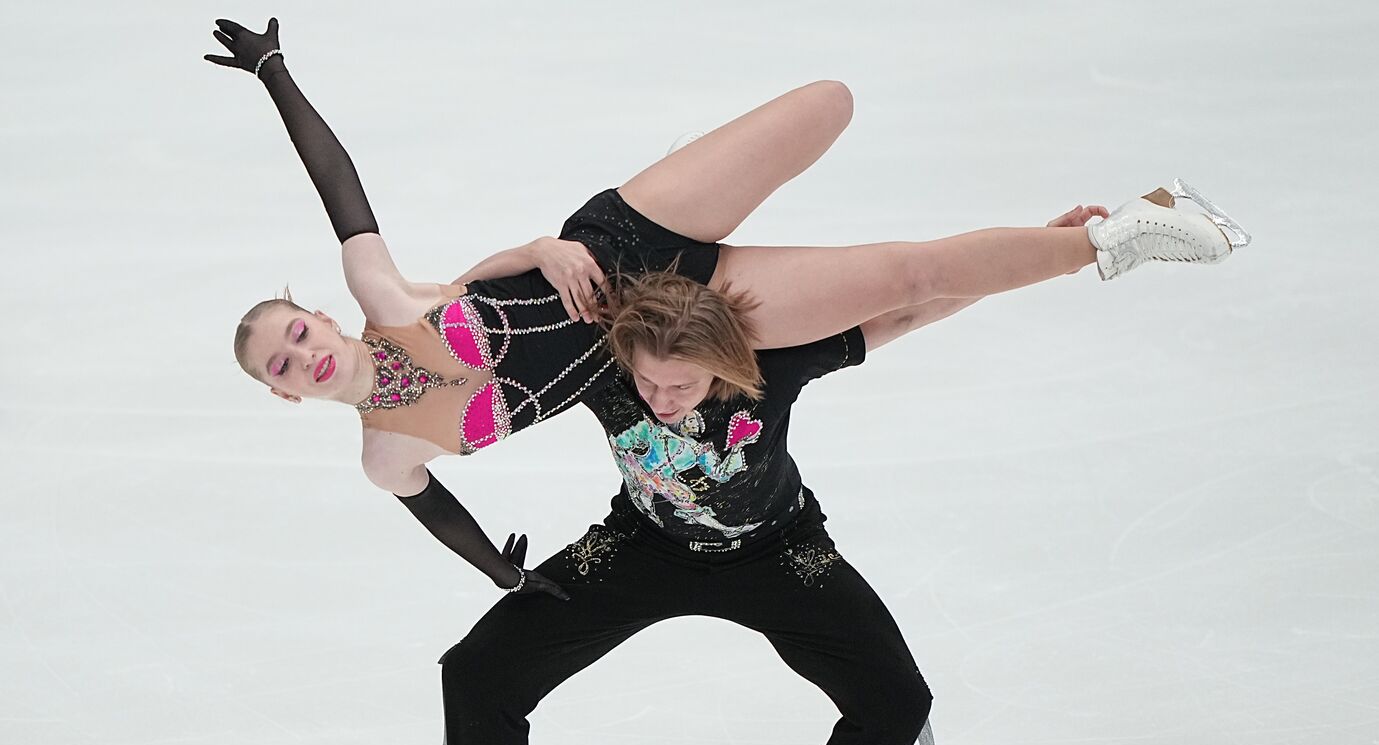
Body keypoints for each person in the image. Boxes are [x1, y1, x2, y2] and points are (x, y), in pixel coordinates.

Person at [205, 17, 1251, 601]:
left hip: (622, 237)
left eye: (293, 332)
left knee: (827, 103)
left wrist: (273, 73)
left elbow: (333, 177)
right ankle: (1112, 238)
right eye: (279, 368)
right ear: (286, 396)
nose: (300, 354)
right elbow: (437, 511)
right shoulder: (386, 455)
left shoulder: (384, 297)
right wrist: (501, 576)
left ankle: (1060, 243)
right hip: (669, 322)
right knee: (904, 278)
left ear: (321, 319)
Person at [389, 205, 1118, 745]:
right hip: (639, 546)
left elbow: (911, 306)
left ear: (722, 361)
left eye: (680, 385)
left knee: (893, 700)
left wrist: (1051, 248)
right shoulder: (597, 363)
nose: (661, 401)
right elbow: (459, 304)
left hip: (779, 554)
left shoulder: (779, 360)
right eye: (648, 383)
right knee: (477, 672)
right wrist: (542, 247)